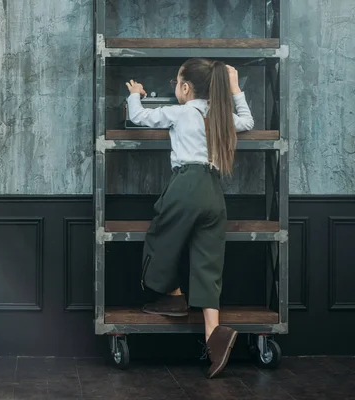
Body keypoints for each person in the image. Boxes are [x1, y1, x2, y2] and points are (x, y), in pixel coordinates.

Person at [125, 58, 254, 378]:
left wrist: (135, 93)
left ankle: (173, 296)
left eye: (176, 84)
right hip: (213, 191)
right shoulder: (221, 116)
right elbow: (248, 122)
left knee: (160, 238)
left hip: (186, 184)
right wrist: (236, 89)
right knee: (208, 262)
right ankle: (214, 337)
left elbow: (138, 116)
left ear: (184, 88)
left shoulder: (180, 112)